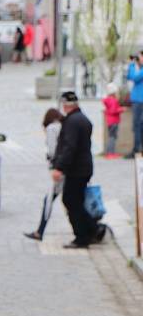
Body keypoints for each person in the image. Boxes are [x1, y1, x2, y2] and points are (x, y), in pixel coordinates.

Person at [51, 91, 98, 248]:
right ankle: (92, 230)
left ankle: (83, 235)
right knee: (75, 201)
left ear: (65, 105)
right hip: (83, 167)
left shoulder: (72, 122)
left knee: (71, 201)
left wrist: (59, 167)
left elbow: (69, 148)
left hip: (76, 169)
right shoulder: (83, 119)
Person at [24, 108, 65, 241]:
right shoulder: (64, 126)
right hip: (68, 169)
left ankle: (40, 231)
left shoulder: (51, 129)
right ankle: (40, 231)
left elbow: (53, 150)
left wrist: (54, 167)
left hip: (59, 172)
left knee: (49, 201)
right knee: (70, 201)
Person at [126, 51, 143, 159]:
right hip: (138, 100)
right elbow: (129, 76)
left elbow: (134, 77)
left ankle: (137, 149)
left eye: (140, 57)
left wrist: (132, 64)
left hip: (140, 101)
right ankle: (137, 148)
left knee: (138, 125)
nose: (138, 59)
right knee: (138, 126)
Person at [102, 82, 124, 159]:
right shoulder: (113, 100)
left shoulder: (108, 100)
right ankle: (111, 153)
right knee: (112, 137)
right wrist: (121, 109)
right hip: (114, 121)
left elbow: (108, 110)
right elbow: (113, 110)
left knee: (111, 137)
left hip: (110, 121)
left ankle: (109, 153)